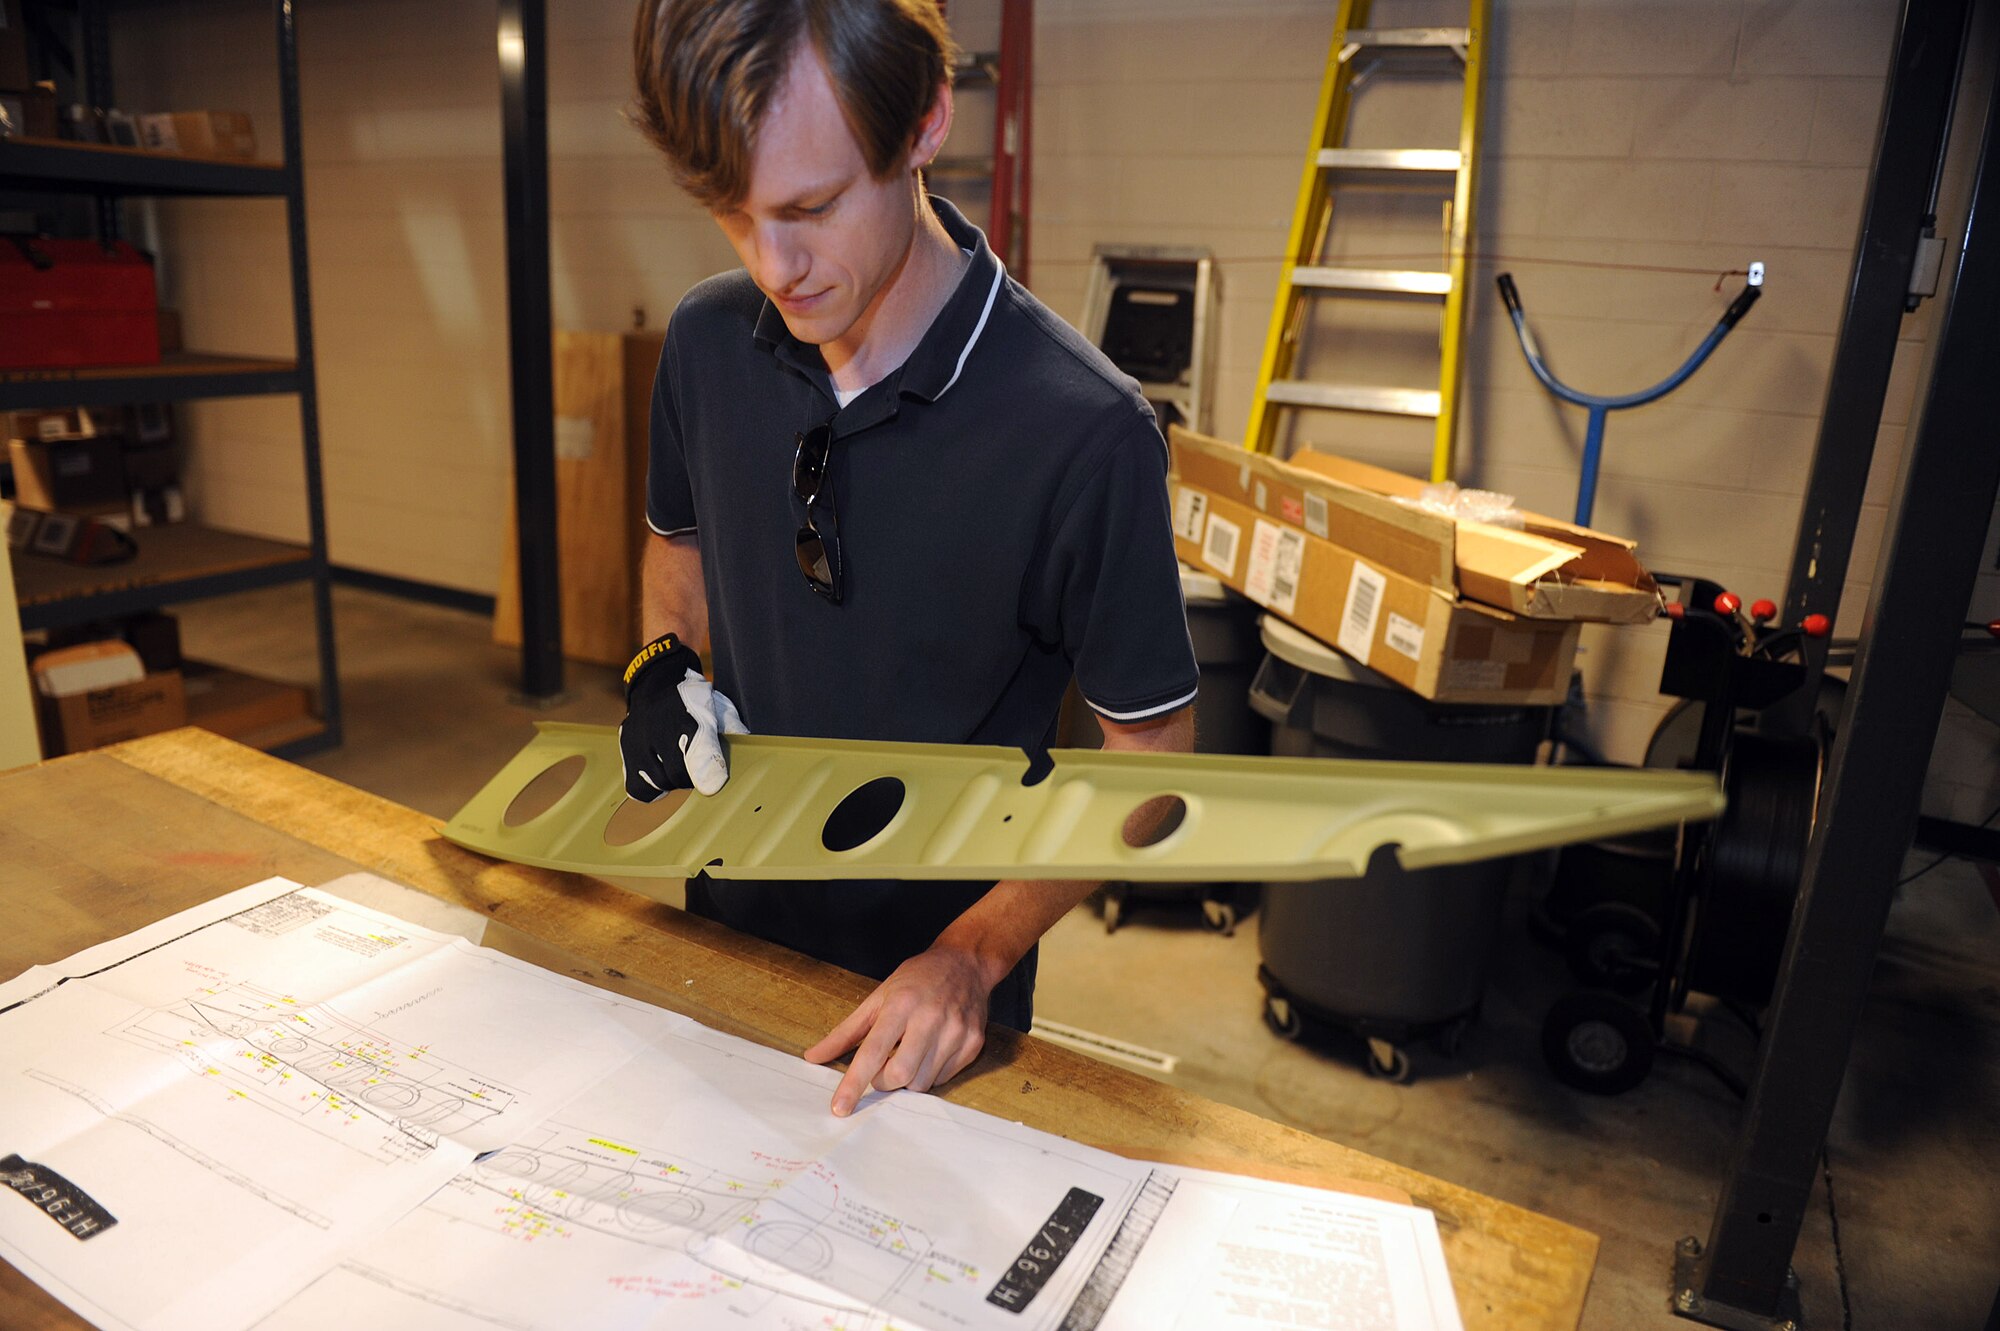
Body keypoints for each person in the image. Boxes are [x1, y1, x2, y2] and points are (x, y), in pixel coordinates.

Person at [624, 0, 1198, 1117]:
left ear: (927, 123)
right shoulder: (704, 341)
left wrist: (973, 957)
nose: (773, 265)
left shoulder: (1084, 431)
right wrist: (659, 659)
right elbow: (675, 543)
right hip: (724, 933)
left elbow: (1155, 762)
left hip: (932, 1005)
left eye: (811, 207)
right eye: (731, 215)